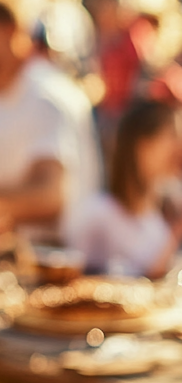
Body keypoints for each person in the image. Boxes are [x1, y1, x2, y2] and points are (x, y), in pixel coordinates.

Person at [0, 0, 101, 241]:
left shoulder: (45, 97)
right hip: (14, 249)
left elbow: (49, 199)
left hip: (53, 254)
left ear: (7, 32)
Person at [68, 100, 182, 278]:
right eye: (171, 135)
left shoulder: (158, 219)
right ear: (141, 144)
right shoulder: (97, 216)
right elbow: (75, 285)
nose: (178, 146)